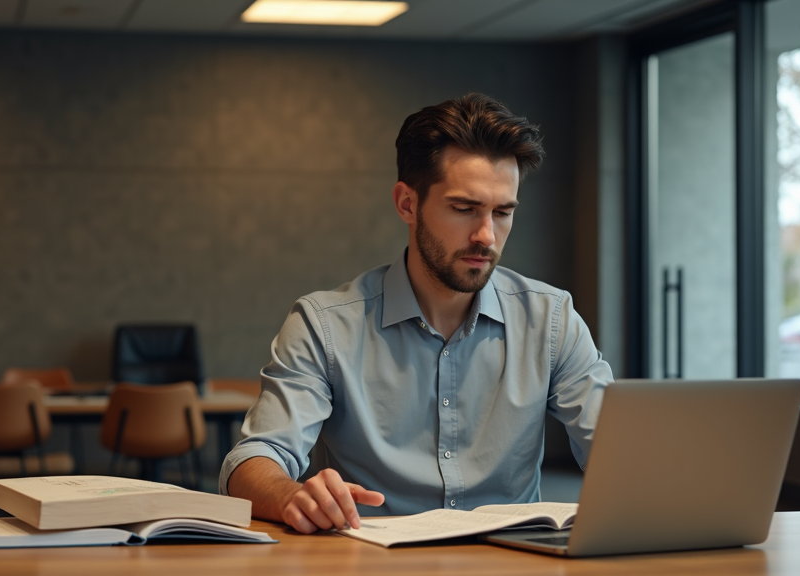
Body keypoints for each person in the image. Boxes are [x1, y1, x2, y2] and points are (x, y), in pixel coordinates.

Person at [219, 92, 612, 535]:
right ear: (408, 203)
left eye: (502, 213)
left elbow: (620, 454)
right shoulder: (324, 325)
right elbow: (252, 462)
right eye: (464, 209)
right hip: (372, 564)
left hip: (513, 563)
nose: (487, 235)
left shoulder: (551, 319)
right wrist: (291, 494)